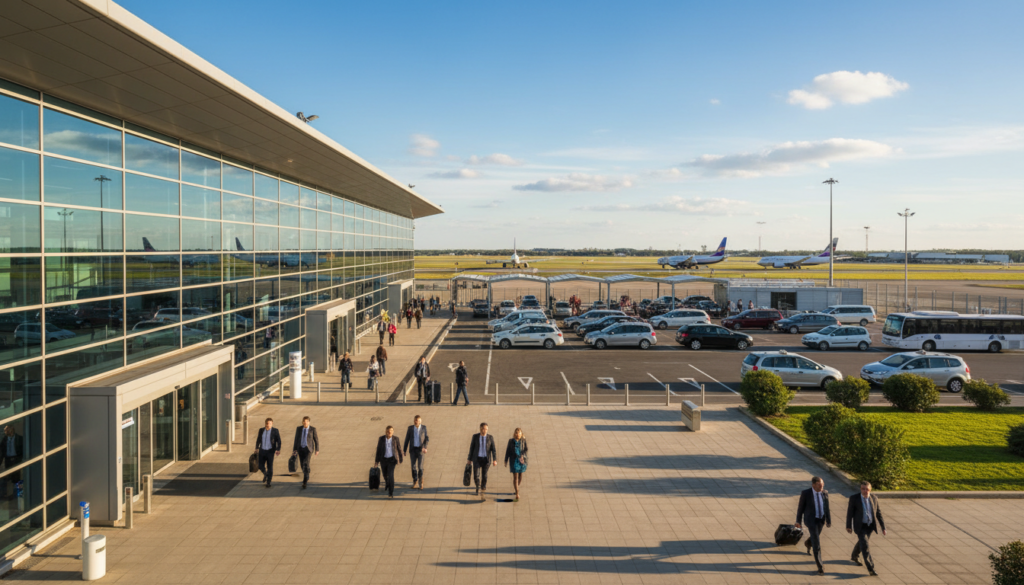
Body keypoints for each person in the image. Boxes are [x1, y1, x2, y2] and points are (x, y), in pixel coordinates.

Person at [847, 481, 886, 577]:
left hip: (870, 526)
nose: (865, 491)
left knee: (862, 542)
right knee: (865, 547)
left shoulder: (874, 498)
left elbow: (878, 513)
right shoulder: (854, 498)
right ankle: (871, 568)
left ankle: (854, 555)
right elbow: (850, 513)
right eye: (863, 489)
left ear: (870, 489)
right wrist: (848, 526)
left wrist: (883, 527)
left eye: (867, 489)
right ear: (860, 489)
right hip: (860, 526)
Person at [795, 476, 831, 575]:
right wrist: (798, 521)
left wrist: (828, 520)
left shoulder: (825, 493)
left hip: (821, 520)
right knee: (817, 543)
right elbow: (800, 508)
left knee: (815, 537)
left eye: (823, 484)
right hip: (811, 520)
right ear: (813, 485)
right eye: (819, 484)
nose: (822, 486)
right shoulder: (806, 493)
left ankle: (808, 543)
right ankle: (820, 566)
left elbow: (826, 507)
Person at [466, 422, 497, 496]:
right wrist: (469, 459)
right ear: (481, 429)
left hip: (486, 459)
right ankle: (478, 486)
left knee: (484, 475)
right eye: (484, 429)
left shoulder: (490, 437)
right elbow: (472, 448)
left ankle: (483, 485)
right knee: (476, 475)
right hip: (477, 458)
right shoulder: (475, 437)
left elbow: (493, 449)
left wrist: (494, 460)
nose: (486, 430)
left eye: (487, 429)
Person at [374, 426, 403, 498]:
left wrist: (400, 459)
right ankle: (387, 482)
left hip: (392, 460)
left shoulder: (396, 439)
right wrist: (376, 461)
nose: (389, 432)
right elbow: (378, 450)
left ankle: (391, 492)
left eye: (391, 431)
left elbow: (399, 449)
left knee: (391, 475)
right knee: (385, 474)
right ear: (385, 431)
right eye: (388, 431)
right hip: (383, 459)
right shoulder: (381, 439)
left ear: (393, 432)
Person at [291, 416, 319, 489]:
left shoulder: (312, 429)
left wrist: (317, 449)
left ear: (309, 422)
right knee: (302, 464)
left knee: (305, 463)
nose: (305, 423)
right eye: (304, 421)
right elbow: (296, 439)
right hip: (300, 448)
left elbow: (316, 440)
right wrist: (294, 450)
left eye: (306, 421)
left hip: (308, 449)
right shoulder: (299, 429)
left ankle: (305, 481)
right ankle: (307, 472)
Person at [254, 418, 282, 488]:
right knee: (260, 465)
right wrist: (257, 448)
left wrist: (278, 449)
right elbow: (258, 439)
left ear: (272, 424)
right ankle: (266, 474)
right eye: (267, 423)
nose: (268, 425)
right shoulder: (261, 430)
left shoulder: (275, 431)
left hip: (270, 451)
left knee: (270, 467)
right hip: (262, 450)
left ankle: (268, 482)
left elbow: (279, 441)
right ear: (265, 423)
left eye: (269, 423)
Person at [403, 415, 429, 490]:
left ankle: (421, 483)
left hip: (421, 450)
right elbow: (407, 439)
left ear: (420, 421)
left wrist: (425, 447)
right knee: (413, 466)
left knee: (420, 467)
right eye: (415, 420)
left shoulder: (424, 428)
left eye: (417, 420)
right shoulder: (410, 428)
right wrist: (404, 450)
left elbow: (426, 438)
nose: (416, 421)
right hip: (413, 450)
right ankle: (415, 481)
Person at [504, 428, 528, 501]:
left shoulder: (523, 441)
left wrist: (522, 455)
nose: (518, 434)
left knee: (520, 476)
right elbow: (508, 450)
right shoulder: (511, 441)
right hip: (514, 461)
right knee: (515, 477)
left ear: (521, 434)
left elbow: (526, 449)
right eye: (516, 433)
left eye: (519, 433)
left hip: (521, 460)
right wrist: (506, 460)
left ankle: (516, 487)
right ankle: (517, 492)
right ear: (514, 434)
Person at [1, 426, 24, 497]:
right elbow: (2, 451)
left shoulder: (19, 439)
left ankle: (19, 494)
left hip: (16, 459)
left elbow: (22, 449)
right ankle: (9, 494)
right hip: (8, 459)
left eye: (8, 430)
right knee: (9, 478)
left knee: (17, 477)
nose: (6, 432)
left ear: (12, 430)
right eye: (5, 431)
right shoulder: (4, 440)